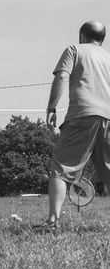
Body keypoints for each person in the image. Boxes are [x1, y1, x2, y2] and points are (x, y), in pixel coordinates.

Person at [34, 20, 110, 232]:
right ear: (102, 39)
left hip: (83, 114)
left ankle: (52, 222)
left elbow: (62, 75)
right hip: (108, 117)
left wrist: (51, 107)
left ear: (82, 36)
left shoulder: (74, 49)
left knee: (61, 167)